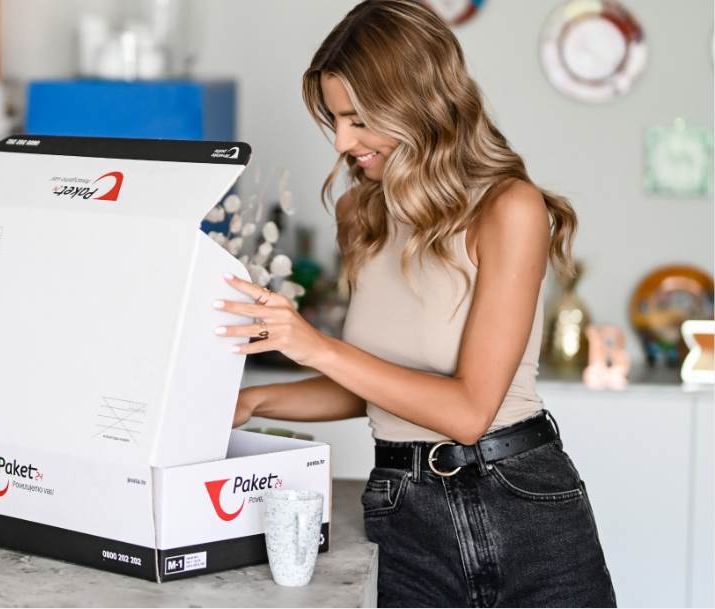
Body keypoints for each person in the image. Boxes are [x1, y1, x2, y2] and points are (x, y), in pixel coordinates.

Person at [211, 1, 616, 606]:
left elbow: (469, 412)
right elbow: (380, 388)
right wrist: (252, 402)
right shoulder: (359, 214)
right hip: (404, 509)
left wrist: (314, 346)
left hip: (524, 505)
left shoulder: (509, 208)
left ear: (418, 104)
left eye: (358, 120)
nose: (342, 141)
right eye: (335, 119)